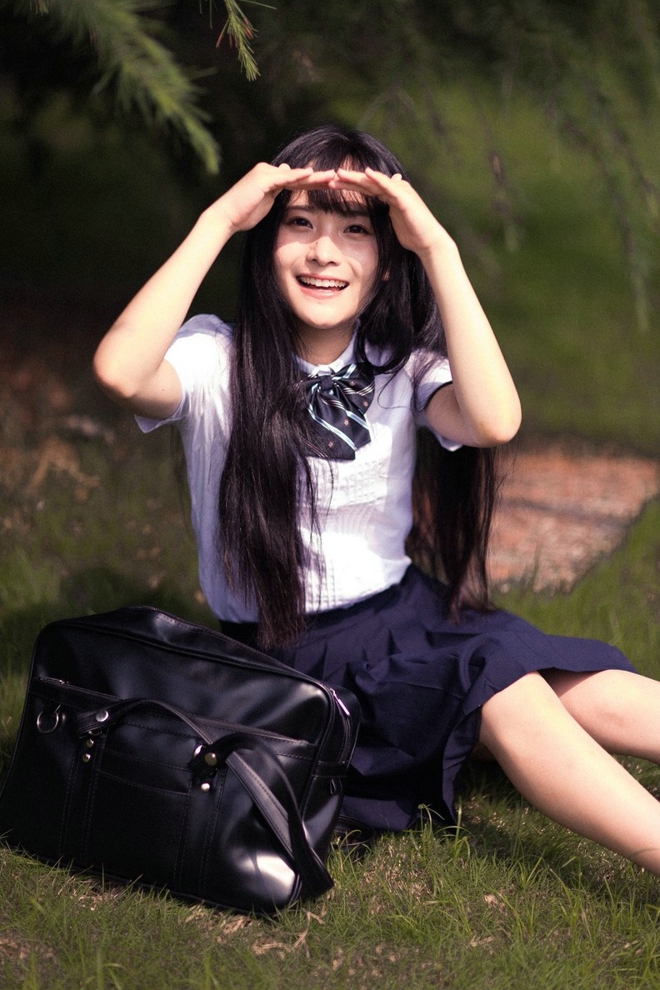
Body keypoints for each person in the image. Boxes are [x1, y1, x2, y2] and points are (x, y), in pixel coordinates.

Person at [94, 124, 660, 874]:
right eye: (300, 224)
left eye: (355, 231)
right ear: (266, 240)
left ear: (387, 262)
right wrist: (219, 220)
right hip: (301, 658)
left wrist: (439, 251)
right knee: (512, 692)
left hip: (408, 611)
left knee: (565, 682)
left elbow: (495, 420)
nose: (324, 252)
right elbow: (120, 370)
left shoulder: (400, 367)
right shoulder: (215, 361)